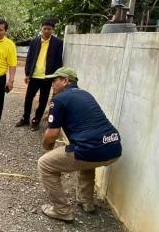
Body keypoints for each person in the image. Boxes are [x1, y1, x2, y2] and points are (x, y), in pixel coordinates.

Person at [38, 67, 122, 222]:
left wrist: (47, 146)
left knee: (45, 164)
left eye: (55, 80)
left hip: (92, 148)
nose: (52, 84)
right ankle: (86, 201)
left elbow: (51, 135)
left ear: (65, 81)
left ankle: (61, 210)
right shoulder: (85, 94)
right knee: (86, 160)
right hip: (113, 146)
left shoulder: (59, 99)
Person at [16, 18, 63, 131]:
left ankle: (36, 120)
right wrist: (27, 74)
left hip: (47, 77)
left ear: (53, 30)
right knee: (28, 98)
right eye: (45, 28)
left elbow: (58, 61)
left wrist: (55, 77)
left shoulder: (57, 43)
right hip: (34, 76)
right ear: (41, 28)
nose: (47, 31)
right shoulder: (34, 41)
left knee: (43, 100)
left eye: (49, 29)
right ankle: (25, 118)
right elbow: (29, 58)